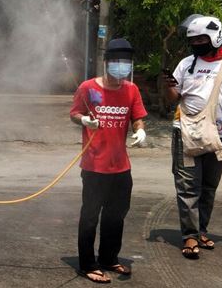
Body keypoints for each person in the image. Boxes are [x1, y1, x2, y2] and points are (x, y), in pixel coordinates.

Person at [163, 15, 222, 259]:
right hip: (186, 133)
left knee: (209, 187)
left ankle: (201, 229)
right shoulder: (185, 64)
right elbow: (172, 98)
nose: (197, 44)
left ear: (216, 36)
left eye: (202, 39)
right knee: (187, 186)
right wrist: (169, 86)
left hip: (220, 136)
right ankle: (190, 236)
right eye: (193, 40)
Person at [70, 38, 147, 284]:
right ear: (106, 63)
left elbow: (138, 117)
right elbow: (74, 113)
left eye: (125, 62)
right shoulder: (88, 88)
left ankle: (108, 258)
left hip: (121, 166)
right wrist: (84, 121)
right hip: (94, 166)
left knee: (116, 215)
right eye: (116, 62)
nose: (121, 67)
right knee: (90, 215)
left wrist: (140, 130)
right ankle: (87, 264)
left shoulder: (131, 90)